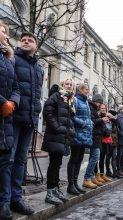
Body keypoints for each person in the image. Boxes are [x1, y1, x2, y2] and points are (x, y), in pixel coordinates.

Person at [11, 32, 43, 215]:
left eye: (30, 40)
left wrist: (35, 114)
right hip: (13, 118)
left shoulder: (39, 68)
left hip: (29, 120)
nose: (26, 41)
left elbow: (36, 94)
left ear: (36, 46)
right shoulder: (12, 59)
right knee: (8, 159)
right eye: (23, 39)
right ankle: (6, 198)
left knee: (20, 160)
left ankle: (16, 198)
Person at [42, 79, 75, 205]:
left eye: (71, 85)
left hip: (63, 138)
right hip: (55, 136)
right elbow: (47, 111)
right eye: (67, 84)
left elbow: (70, 119)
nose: (69, 86)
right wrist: (57, 128)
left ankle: (55, 189)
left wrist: (71, 131)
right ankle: (50, 192)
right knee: (54, 164)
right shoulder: (57, 96)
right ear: (62, 85)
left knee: (58, 163)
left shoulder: (69, 100)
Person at [0, 21, 20, 220]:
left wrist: (12, 103)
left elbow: (15, 86)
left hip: (6, 119)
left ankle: (4, 203)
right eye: (3, 31)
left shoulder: (8, 60)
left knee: (6, 162)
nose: (6, 35)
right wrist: (2, 102)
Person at [67, 83, 93, 195]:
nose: (88, 91)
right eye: (86, 89)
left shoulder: (86, 101)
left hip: (85, 134)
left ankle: (75, 183)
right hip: (77, 134)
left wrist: (90, 123)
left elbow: (88, 117)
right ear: (80, 89)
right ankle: (70, 185)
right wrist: (82, 123)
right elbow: (72, 116)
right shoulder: (76, 100)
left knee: (79, 159)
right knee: (74, 158)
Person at [83, 94, 109, 189]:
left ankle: (92, 177)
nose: (100, 105)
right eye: (100, 103)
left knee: (93, 158)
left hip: (97, 137)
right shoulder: (91, 108)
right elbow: (92, 121)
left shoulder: (94, 109)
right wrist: (101, 120)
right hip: (94, 137)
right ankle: (87, 178)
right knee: (95, 157)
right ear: (96, 101)